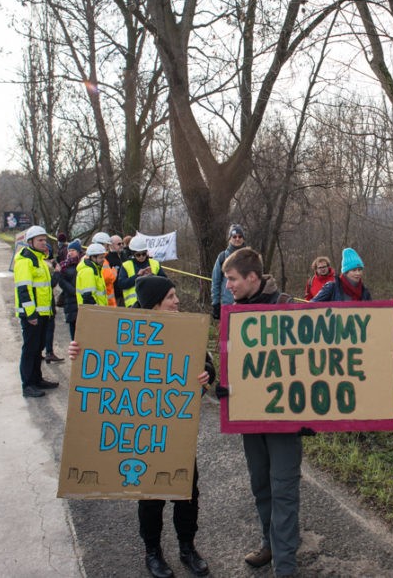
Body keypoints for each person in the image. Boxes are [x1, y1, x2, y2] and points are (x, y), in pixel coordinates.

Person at [67, 276, 214, 578]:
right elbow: (97, 361)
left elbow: (207, 367)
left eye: (176, 296)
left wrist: (205, 376)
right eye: (171, 296)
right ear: (155, 302)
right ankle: (153, 552)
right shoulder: (121, 333)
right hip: (141, 432)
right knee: (150, 494)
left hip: (175, 431)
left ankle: (188, 547)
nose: (177, 301)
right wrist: (77, 353)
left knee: (187, 491)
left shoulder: (187, 330)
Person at [218, 247, 302, 577]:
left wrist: (310, 414)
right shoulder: (234, 313)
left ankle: (286, 565)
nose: (228, 286)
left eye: (232, 279)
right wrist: (225, 388)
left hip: (286, 422)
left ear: (253, 278)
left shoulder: (287, 307)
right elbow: (232, 362)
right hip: (251, 420)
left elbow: (308, 365)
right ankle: (269, 543)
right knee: (261, 486)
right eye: (226, 280)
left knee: (284, 490)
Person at [13, 225, 60, 398]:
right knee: (30, 349)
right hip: (32, 315)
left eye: (45, 240)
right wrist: (31, 314)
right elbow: (24, 290)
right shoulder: (26, 260)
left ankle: (37, 379)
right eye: (40, 240)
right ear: (30, 242)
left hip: (43, 313)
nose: (43, 243)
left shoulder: (39, 259)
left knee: (38, 348)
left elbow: (44, 289)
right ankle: (28, 384)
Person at [118, 235, 168, 308]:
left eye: (143, 254)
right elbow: (121, 284)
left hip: (153, 304)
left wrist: (153, 276)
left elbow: (165, 282)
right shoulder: (126, 265)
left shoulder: (155, 264)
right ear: (133, 254)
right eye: (138, 255)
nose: (141, 257)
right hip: (133, 306)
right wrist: (137, 276)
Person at [211, 224, 246, 320]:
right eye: (234, 236)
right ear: (230, 239)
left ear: (243, 238)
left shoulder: (250, 257)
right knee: (226, 334)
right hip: (227, 305)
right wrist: (215, 303)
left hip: (247, 304)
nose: (237, 239)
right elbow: (215, 282)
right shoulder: (222, 257)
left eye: (240, 236)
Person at [56, 240, 82, 340]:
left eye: (73, 250)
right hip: (70, 300)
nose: (70, 252)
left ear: (79, 251)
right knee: (73, 329)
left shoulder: (82, 264)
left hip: (80, 300)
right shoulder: (64, 265)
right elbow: (61, 282)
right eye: (69, 250)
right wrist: (73, 291)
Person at [76, 243, 110, 308]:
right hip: (93, 312)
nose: (103, 260)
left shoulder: (96, 269)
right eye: (101, 257)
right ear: (93, 257)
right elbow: (88, 296)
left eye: (103, 257)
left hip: (97, 310)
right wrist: (96, 310)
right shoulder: (88, 271)